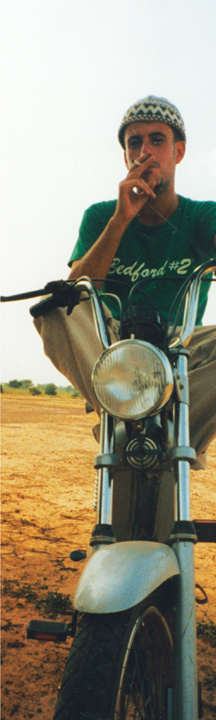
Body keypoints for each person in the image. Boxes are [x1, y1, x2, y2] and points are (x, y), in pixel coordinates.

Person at [34, 96, 216, 539]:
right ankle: (117, 401)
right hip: (114, 348)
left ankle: (182, 427)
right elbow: (76, 292)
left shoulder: (202, 217)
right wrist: (121, 219)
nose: (146, 152)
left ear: (179, 151)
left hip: (181, 347)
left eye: (158, 140)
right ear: (125, 155)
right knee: (52, 310)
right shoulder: (101, 215)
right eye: (136, 143)